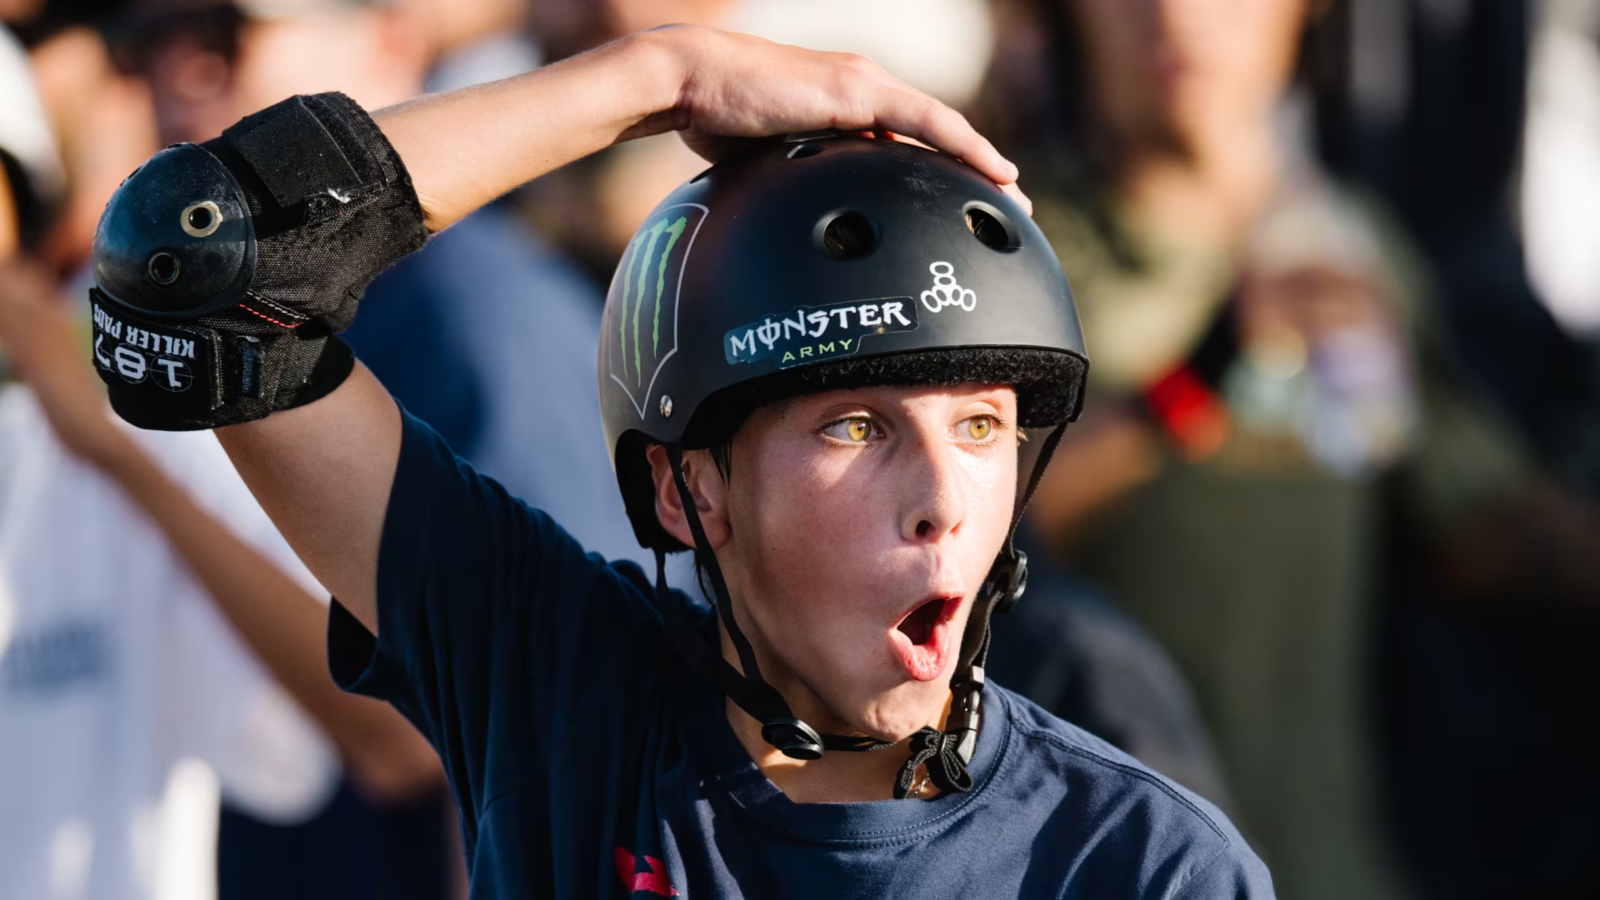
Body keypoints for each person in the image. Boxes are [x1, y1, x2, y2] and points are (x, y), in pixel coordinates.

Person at [85, 25, 1274, 896]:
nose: (943, 503)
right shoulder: (555, 688)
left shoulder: (1141, 864)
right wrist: (657, 78)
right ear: (685, 487)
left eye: (980, 425)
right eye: (852, 428)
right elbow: (195, 276)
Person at [978, 1, 1600, 898]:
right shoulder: (1013, 247)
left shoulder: (1353, 244)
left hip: (1328, 864)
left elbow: (1479, 526)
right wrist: (1198, 379)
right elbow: (970, 528)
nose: (1177, 23)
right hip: (1096, 862)